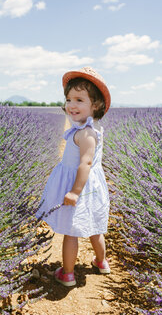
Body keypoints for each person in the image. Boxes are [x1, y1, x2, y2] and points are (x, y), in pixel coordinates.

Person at [36, 66, 111, 287]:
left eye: (79, 99)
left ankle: (67, 273)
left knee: (71, 231)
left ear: (95, 105)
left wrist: (75, 191)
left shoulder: (86, 133)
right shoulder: (86, 128)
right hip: (90, 187)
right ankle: (101, 262)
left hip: (81, 187)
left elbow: (86, 164)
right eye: (69, 99)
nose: (71, 105)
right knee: (95, 227)